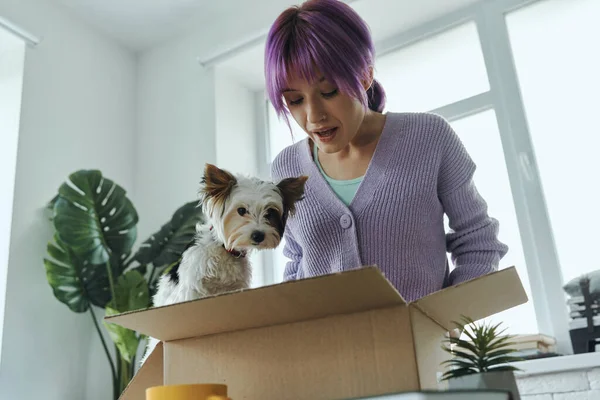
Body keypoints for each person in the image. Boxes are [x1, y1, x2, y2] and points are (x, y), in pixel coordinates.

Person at [265, 0, 508, 304]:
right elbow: (296, 261)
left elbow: (479, 243)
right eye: (295, 101)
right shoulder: (285, 168)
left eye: (328, 92)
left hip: (421, 348)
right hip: (323, 349)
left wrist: (444, 321)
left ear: (365, 76)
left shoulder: (429, 138)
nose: (313, 116)